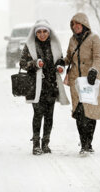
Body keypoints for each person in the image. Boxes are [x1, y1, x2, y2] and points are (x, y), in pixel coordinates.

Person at [19, 19, 69, 155]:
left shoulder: (55, 44)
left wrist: (60, 66)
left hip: (51, 86)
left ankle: (46, 143)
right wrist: (35, 64)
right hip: (35, 86)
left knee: (49, 116)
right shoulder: (30, 46)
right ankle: (36, 144)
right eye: (39, 32)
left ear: (49, 32)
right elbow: (22, 63)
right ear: (35, 33)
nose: (42, 34)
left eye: (45, 31)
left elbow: (61, 60)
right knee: (37, 114)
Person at [64, 12, 100, 154]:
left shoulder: (94, 38)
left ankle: (89, 142)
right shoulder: (72, 40)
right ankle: (84, 144)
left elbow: (98, 57)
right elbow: (69, 57)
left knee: (90, 113)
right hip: (76, 81)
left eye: (78, 23)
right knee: (79, 112)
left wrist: (94, 70)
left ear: (84, 24)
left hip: (90, 80)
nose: (75, 26)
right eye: (73, 24)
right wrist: (61, 62)